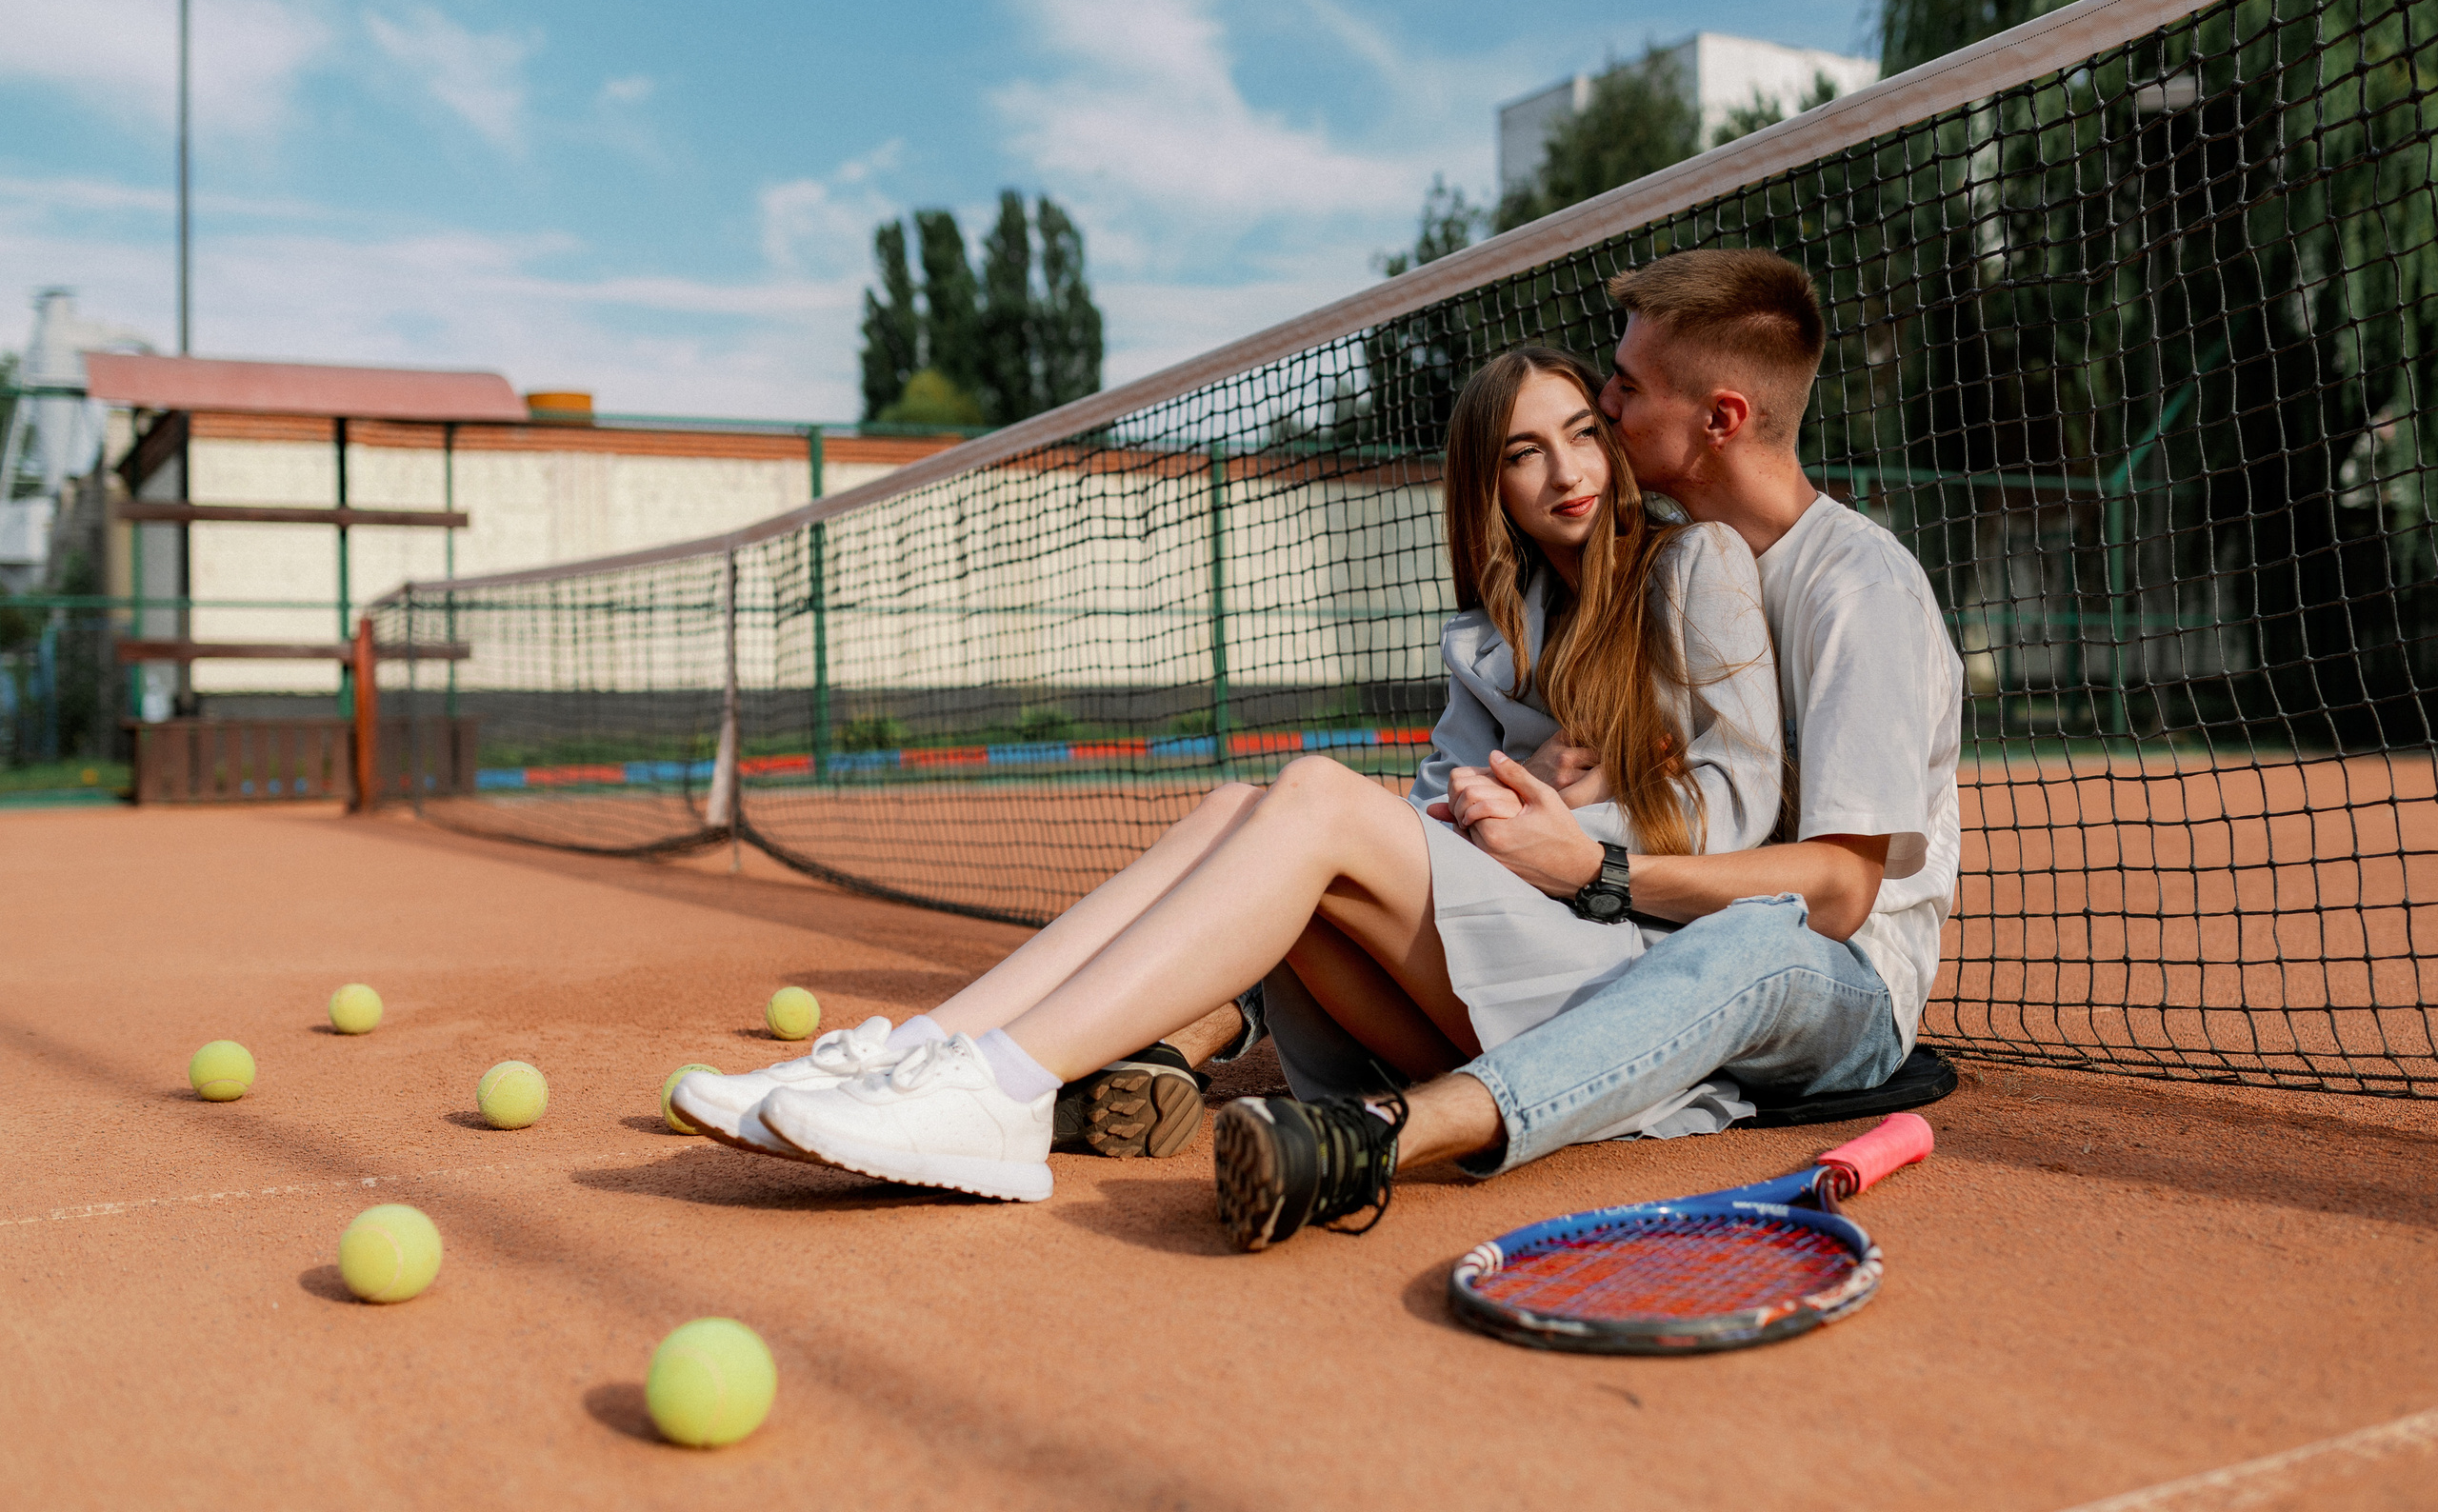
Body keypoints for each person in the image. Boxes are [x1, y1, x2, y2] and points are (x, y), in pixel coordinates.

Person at [669, 342, 1783, 1217]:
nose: (1568, 469)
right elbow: (1428, 816)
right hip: (1473, 981)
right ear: (1486, 486)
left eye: (1582, 433)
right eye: (1523, 451)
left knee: (1305, 791)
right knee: (1237, 809)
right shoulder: (1491, 636)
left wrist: (1566, 812)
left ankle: (1003, 1092)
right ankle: (934, 1052)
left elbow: (1741, 809)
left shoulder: (1696, 565)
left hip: (1619, 986)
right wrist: (1504, 791)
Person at [1209, 245, 1966, 1250]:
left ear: (1720, 418)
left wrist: (1598, 868)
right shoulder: (1673, 574)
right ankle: (1203, 1032)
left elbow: (1838, 892)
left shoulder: (1852, 589)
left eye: (1622, 387)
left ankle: (1385, 1138)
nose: (1602, 408)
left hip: (1840, 979)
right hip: (1676, 933)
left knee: (1754, 936)